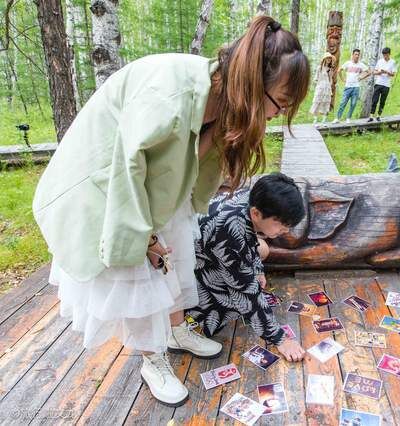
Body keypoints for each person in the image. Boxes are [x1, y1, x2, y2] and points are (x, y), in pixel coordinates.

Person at [32, 16, 309, 407]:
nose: (278, 114)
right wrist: (144, 237)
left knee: (178, 247)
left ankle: (176, 330)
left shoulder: (220, 97)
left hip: (154, 182)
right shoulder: (171, 95)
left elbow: (186, 167)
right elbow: (128, 174)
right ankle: (152, 358)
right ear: (251, 83)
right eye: (279, 102)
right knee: (142, 268)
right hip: (107, 184)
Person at [186, 173, 306, 361]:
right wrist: (280, 339)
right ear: (257, 214)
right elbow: (245, 293)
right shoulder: (230, 230)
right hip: (190, 267)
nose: (286, 230)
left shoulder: (250, 198)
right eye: (281, 224)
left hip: (212, 249)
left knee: (262, 249)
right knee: (214, 317)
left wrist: (256, 269)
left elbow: (249, 240)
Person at [332, 48, 370, 123]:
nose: (357, 56)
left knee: (353, 104)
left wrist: (361, 77)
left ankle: (348, 118)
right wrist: (342, 79)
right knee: (343, 103)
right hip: (348, 87)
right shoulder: (348, 63)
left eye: (358, 55)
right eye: (355, 54)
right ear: (352, 55)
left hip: (356, 87)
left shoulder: (361, 65)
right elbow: (339, 70)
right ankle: (337, 118)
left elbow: (369, 72)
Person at [367, 47, 397, 122]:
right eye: (384, 55)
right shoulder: (380, 61)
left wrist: (386, 72)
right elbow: (374, 72)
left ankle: (379, 116)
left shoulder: (393, 62)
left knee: (382, 101)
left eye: (386, 55)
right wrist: (379, 72)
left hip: (386, 85)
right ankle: (371, 116)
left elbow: (393, 74)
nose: (385, 56)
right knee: (374, 100)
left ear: (389, 54)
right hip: (378, 83)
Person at [309, 52, 335, 125]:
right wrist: (318, 85)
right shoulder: (319, 68)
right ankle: (315, 120)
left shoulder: (330, 69)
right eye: (327, 58)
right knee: (317, 102)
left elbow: (330, 79)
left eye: (330, 58)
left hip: (327, 88)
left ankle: (324, 121)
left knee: (326, 103)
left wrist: (330, 87)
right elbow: (315, 78)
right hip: (320, 87)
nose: (329, 59)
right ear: (324, 59)